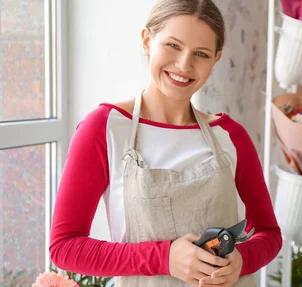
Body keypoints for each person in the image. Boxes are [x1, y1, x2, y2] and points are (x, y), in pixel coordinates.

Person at [49, 0, 282, 286]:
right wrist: (164, 257)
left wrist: (242, 259)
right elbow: (64, 247)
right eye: (173, 45)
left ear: (216, 59)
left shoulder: (229, 136)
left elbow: (269, 233)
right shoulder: (104, 129)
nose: (184, 65)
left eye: (201, 53)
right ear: (148, 41)